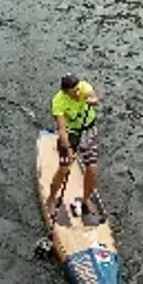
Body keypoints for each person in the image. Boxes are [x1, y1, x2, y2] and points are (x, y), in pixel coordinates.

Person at [46, 72, 102, 216]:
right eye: (74, 91)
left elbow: (95, 98)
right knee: (64, 169)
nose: (78, 92)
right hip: (71, 133)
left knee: (92, 168)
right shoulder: (58, 102)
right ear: (65, 92)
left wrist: (93, 101)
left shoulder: (83, 87)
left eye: (78, 88)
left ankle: (86, 199)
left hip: (88, 128)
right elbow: (62, 130)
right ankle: (51, 199)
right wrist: (70, 150)